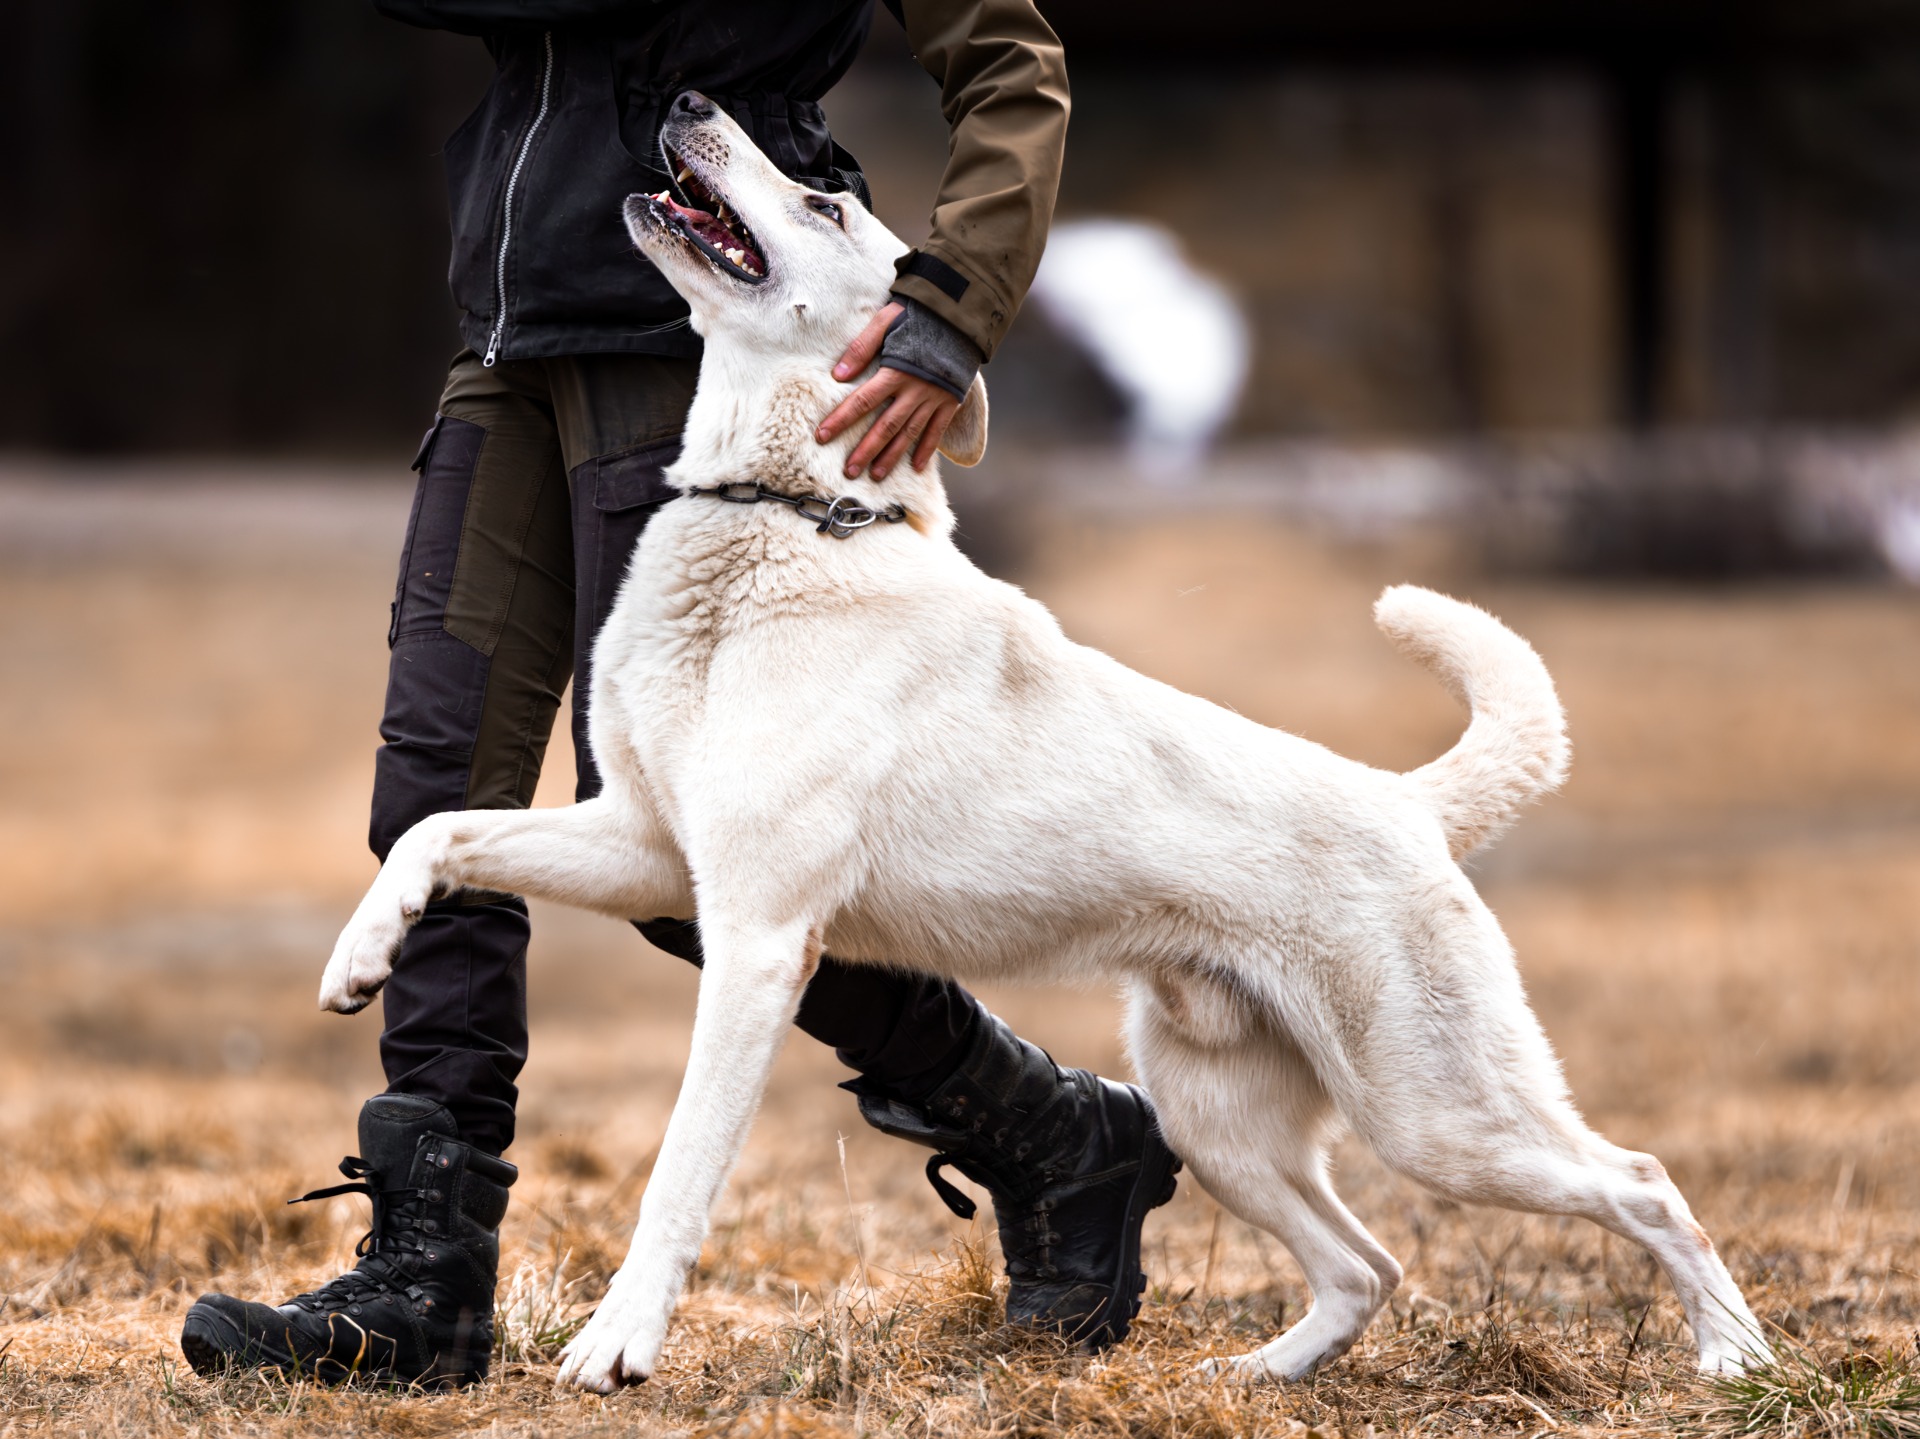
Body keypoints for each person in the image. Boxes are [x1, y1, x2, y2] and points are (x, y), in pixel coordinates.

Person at [179, 0, 1179, 1389]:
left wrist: (956, 302)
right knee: (434, 786)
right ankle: (423, 1280)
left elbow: (1010, 61)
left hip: (713, 334)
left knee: (679, 859)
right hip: (514, 321)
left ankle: (1048, 1130)